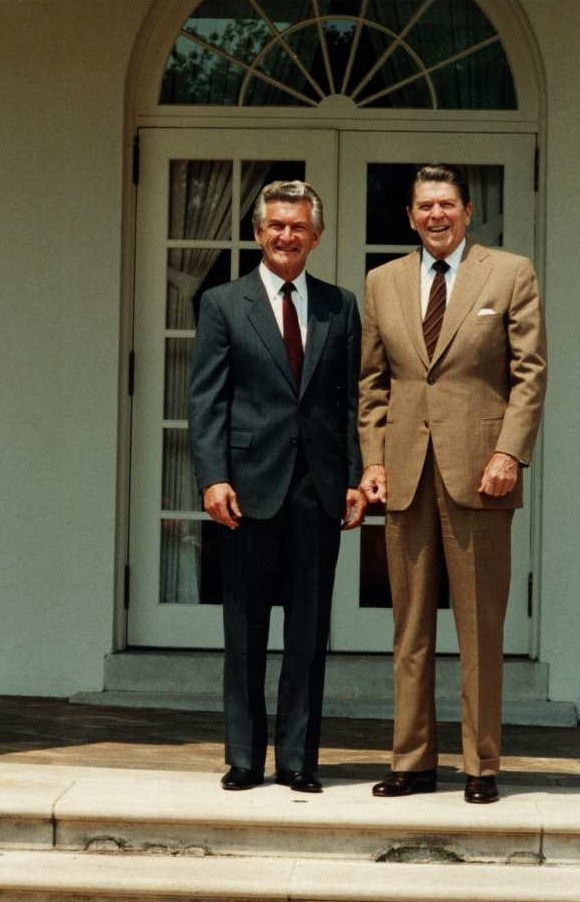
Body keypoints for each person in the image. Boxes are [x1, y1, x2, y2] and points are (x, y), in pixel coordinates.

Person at [359, 163, 546, 804]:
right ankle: (410, 760)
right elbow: (372, 385)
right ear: (410, 217)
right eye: (423, 206)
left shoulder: (509, 273)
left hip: (481, 475)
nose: (435, 215)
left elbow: (530, 374)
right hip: (407, 473)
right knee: (409, 629)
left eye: (447, 204)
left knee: (479, 628)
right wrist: (374, 459)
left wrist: (510, 453)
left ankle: (480, 766)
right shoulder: (382, 283)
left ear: (467, 212)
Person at [189, 180, 365, 794]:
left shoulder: (339, 306)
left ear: (316, 236)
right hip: (245, 487)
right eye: (275, 225)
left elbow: (350, 402)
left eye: (298, 226)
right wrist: (212, 476)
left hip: (317, 489)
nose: (286, 235)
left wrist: (352, 478)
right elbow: (206, 399)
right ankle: (243, 756)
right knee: (244, 628)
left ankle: (297, 759)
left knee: (309, 632)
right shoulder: (221, 304)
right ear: (259, 232)